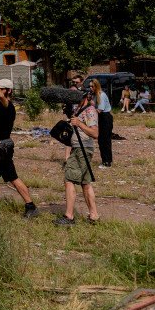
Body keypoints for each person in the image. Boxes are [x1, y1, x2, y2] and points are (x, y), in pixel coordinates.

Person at [0, 72, 37, 218]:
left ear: (9, 91)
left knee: (12, 177)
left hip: (3, 148)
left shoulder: (7, 105)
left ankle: (30, 205)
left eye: (2, 88)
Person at [55, 89, 100, 226]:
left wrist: (79, 124)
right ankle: (94, 216)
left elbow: (95, 133)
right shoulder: (78, 108)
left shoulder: (90, 110)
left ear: (86, 96)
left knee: (69, 179)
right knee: (85, 183)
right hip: (78, 148)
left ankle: (69, 217)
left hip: (83, 149)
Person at [93, 79, 113, 168]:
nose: (90, 88)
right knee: (101, 140)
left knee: (104, 140)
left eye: (92, 86)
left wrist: (91, 106)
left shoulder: (101, 95)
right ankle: (106, 160)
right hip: (101, 118)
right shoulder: (96, 95)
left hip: (105, 117)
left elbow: (100, 110)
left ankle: (106, 161)